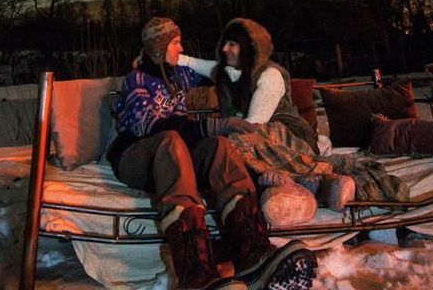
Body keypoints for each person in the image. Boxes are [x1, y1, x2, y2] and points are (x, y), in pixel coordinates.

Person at [108, 17, 317, 290]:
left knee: (219, 146)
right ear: (159, 48)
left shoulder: (179, 74)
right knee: (171, 140)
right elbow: (152, 127)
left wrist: (234, 61)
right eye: (175, 43)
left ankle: (252, 252)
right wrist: (221, 123)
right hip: (135, 156)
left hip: (175, 154)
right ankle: (195, 274)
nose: (181, 48)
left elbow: (224, 73)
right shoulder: (136, 80)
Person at [180, 17, 356, 210]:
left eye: (232, 44)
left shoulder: (269, 75)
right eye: (224, 44)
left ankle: (319, 179)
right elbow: (195, 64)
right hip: (254, 140)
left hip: (291, 138)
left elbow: (253, 124)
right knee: (225, 150)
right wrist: (168, 58)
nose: (224, 50)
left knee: (232, 143)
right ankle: (284, 187)